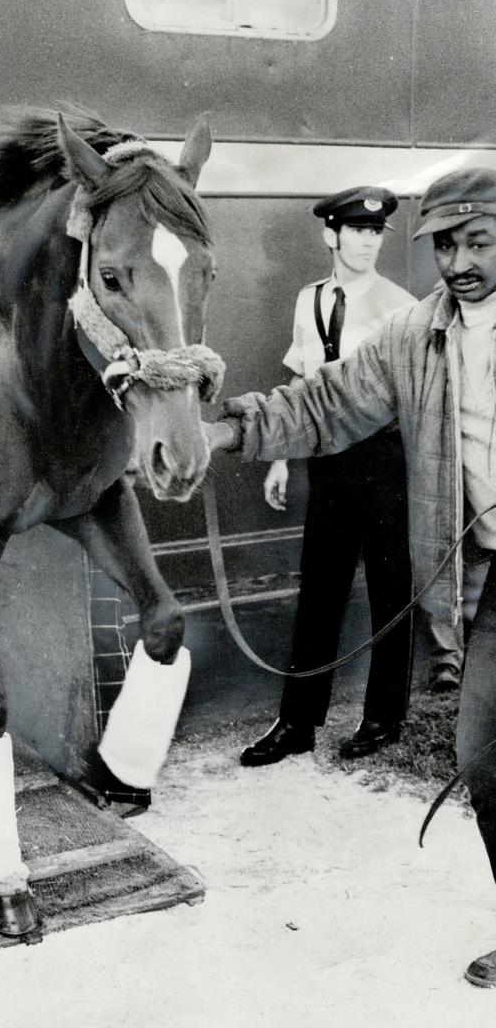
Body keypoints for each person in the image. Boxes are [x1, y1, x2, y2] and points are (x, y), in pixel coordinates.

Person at [208, 167, 496, 988]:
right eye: (444, 243)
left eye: (478, 240)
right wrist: (221, 429)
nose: (457, 260)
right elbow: (324, 403)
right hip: (488, 575)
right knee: (482, 756)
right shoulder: (418, 333)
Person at [240, 186, 415, 768]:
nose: (367, 242)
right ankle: (296, 723)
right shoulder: (308, 298)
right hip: (328, 467)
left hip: (385, 464)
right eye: (357, 230)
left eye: (375, 232)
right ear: (330, 236)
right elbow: (303, 386)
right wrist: (281, 458)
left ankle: (383, 719)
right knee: (319, 591)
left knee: (392, 591)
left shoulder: (400, 307)